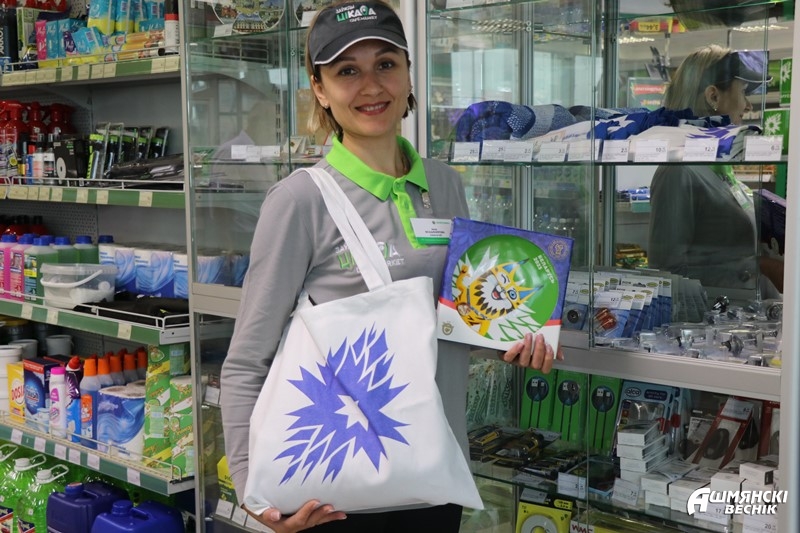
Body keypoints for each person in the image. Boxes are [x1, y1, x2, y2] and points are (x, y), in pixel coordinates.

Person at [220, 2, 562, 532]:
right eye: (346, 71)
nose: (371, 86)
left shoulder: (444, 183)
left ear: (408, 74)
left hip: (433, 473)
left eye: (385, 64)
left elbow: (449, 321)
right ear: (319, 89)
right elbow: (246, 361)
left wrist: (512, 336)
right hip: (337, 489)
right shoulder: (299, 201)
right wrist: (252, 491)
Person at [648, 44, 783, 303]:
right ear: (713, 96)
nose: (747, 105)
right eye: (743, 92)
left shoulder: (719, 167)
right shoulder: (679, 172)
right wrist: (756, 266)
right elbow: (667, 274)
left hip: (746, 317)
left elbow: (721, 252)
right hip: (711, 322)